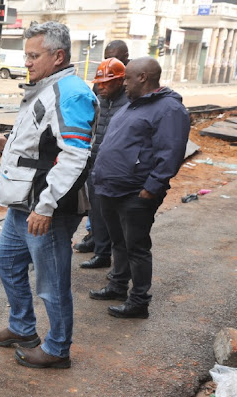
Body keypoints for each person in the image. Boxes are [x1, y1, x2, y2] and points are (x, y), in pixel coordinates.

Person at [0, 21, 98, 369]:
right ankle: (22, 328)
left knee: (51, 284)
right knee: (5, 260)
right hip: (23, 203)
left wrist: (46, 206)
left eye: (34, 56)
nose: (28, 63)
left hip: (44, 209)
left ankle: (57, 348)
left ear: (58, 55)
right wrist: (7, 144)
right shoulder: (46, 88)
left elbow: (76, 154)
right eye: (27, 56)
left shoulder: (72, 93)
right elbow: (44, 141)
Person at [90, 57, 190, 318]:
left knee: (137, 247)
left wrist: (152, 187)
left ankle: (138, 302)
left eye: (127, 78)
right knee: (119, 242)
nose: (123, 84)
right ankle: (118, 285)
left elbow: (171, 152)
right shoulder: (131, 106)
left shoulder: (169, 109)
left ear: (143, 77)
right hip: (111, 188)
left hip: (135, 192)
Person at [75, 40, 131, 253]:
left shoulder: (132, 96)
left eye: (107, 83)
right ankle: (100, 247)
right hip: (95, 162)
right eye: (100, 84)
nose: (102, 87)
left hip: (117, 167)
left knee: (115, 217)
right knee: (96, 210)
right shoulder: (100, 93)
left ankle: (112, 256)